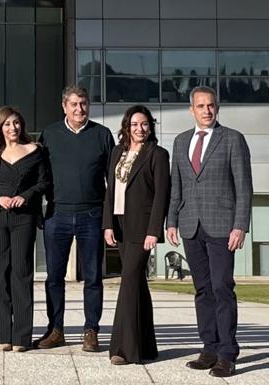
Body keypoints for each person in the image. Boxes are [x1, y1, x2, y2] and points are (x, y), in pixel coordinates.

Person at [167, 86, 252, 377]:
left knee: (221, 288)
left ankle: (227, 352)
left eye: (211, 105)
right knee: (202, 290)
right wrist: (171, 221)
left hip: (221, 226)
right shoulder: (180, 142)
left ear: (217, 108)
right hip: (191, 225)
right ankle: (209, 347)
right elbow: (176, 186)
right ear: (191, 109)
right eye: (201, 106)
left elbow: (244, 188)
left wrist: (240, 225)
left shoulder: (232, 139)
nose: (206, 110)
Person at [37, 85, 114, 351]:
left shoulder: (102, 135)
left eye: (83, 103)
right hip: (57, 214)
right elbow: (40, 177)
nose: (79, 109)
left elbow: (112, 181)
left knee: (93, 277)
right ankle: (55, 329)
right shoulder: (49, 134)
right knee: (54, 277)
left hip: (92, 215)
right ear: (64, 106)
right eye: (74, 104)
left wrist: (108, 220)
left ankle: (91, 330)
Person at [0, 106, 49, 352]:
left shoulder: (36, 151)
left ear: (22, 125)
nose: (13, 128)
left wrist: (25, 196)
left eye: (16, 123)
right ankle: (1, 335)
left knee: (22, 273)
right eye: (7, 124)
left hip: (24, 218)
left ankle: (21, 337)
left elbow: (44, 182)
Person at [102, 105, 170, 365]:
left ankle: (123, 349)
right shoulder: (117, 152)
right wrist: (107, 224)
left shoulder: (157, 155)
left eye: (144, 124)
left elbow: (161, 196)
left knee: (128, 282)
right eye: (134, 124)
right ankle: (147, 347)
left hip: (142, 229)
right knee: (138, 285)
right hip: (119, 226)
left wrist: (154, 231)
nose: (140, 129)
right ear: (126, 127)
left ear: (150, 126)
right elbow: (110, 192)